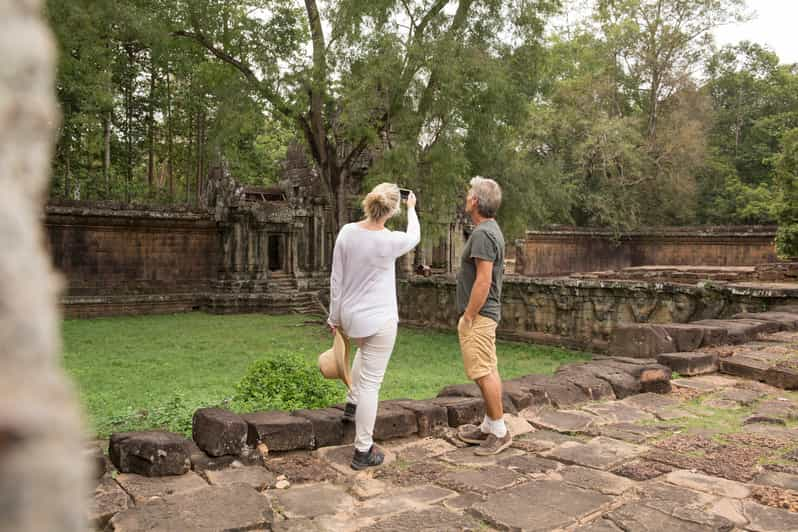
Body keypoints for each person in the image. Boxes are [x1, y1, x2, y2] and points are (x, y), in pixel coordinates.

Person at [327, 183, 420, 470]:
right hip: (380, 320)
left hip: (352, 318)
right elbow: (414, 237)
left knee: (363, 356)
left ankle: (351, 403)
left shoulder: (347, 232)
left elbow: (336, 279)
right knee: (372, 383)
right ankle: (363, 450)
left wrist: (334, 317)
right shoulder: (389, 241)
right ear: (391, 210)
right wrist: (412, 209)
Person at [455, 176, 511, 455]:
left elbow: (483, 281)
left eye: (469, 194)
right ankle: (490, 425)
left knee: (483, 371)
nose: (466, 198)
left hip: (480, 315)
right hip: (484, 314)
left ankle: (499, 430)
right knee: (488, 368)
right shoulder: (489, 230)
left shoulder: (482, 234)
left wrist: (468, 316)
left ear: (476, 201)